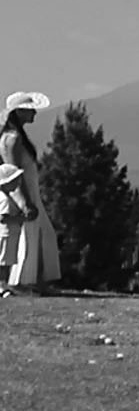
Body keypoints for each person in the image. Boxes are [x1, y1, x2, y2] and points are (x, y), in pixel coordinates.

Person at [1, 91, 60, 293]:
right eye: (29, 110)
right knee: (28, 237)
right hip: (24, 194)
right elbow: (13, 171)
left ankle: (32, 280)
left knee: (41, 236)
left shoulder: (16, 137)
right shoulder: (12, 139)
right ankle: (21, 281)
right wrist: (24, 202)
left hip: (30, 192)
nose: (34, 113)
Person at [0, 161, 29, 290]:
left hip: (9, 233)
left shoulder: (5, 196)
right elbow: (3, 218)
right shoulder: (4, 199)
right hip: (6, 233)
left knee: (6, 261)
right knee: (3, 263)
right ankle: (1, 286)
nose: (18, 183)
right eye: (15, 180)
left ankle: (3, 285)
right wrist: (22, 218)